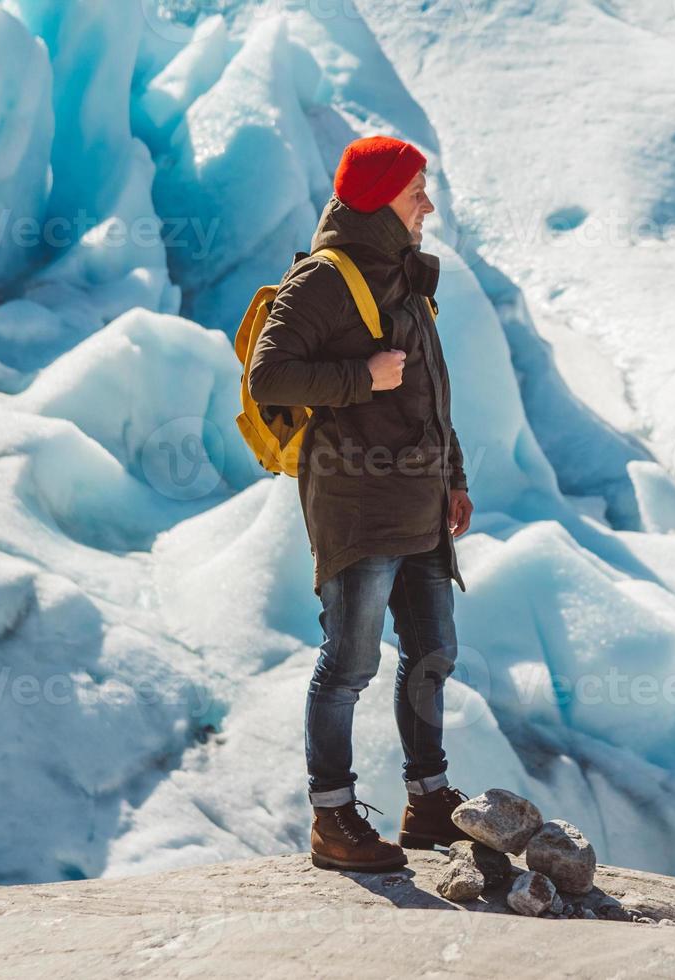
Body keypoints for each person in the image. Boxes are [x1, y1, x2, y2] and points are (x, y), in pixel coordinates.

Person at [247, 135, 475, 872]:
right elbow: (269, 377)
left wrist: (455, 478)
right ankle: (333, 819)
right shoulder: (325, 280)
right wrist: (360, 377)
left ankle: (430, 802)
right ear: (381, 200)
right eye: (418, 193)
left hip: (418, 500)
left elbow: (430, 389)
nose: (429, 206)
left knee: (432, 652)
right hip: (356, 503)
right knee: (348, 666)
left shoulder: (403, 274)